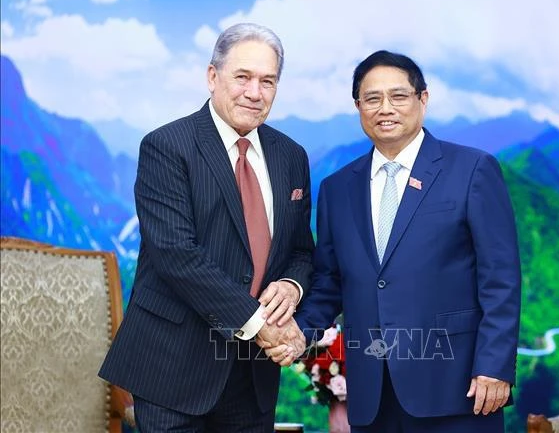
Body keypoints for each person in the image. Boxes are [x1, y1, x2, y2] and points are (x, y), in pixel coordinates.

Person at [266, 50, 521, 432]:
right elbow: (329, 281)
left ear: (423, 99)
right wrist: (299, 334)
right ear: (358, 107)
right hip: (372, 395)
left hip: (459, 388)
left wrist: (494, 366)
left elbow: (500, 278)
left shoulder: (472, 170)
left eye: (398, 96)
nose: (385, 108)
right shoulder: (337, 189)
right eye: (372, 98)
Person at [99, 23, 313, 432]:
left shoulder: (291, 156)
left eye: (268, 81)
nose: (255, 92)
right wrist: (259, 325)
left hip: (252, 377)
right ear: (213, 77)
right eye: (243, 77)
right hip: (174, 368)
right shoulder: (167, 146)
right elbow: (177, 255)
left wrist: (291, 284)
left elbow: (301, 250)